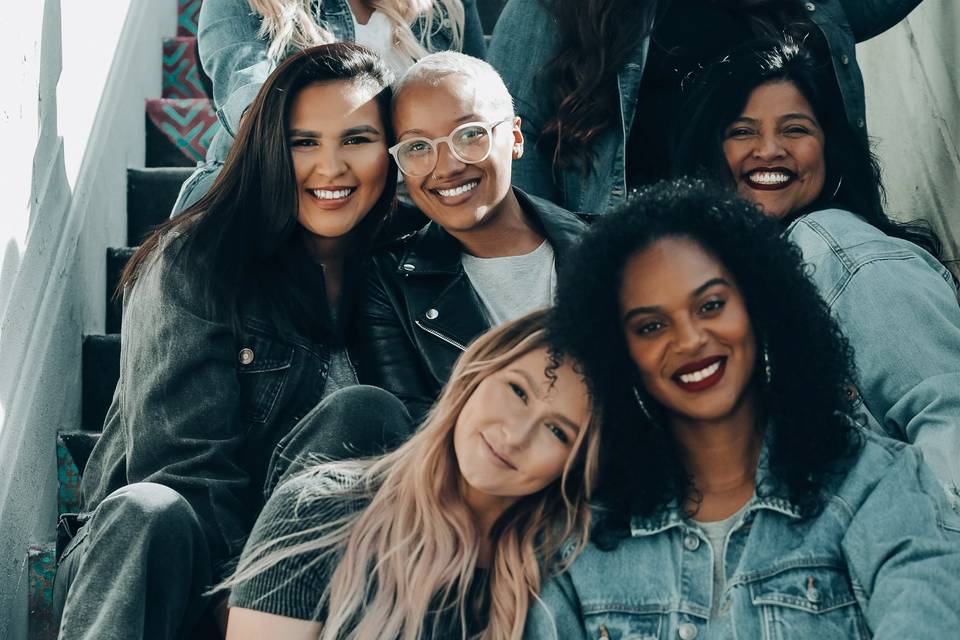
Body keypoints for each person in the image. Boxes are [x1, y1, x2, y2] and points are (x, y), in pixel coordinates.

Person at [53, 44, 408, 640]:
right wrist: (243, 600)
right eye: (304, 142)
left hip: (312, 579)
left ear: (391, 150)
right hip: (168, 571)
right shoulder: (197, 261)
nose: (331, 168)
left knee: (366, 411)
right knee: (148, 511)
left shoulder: (405, 270)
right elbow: (183, 470)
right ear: (270, 149)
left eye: (357, 139)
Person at [527, 178, 960, 639]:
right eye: (651, 326)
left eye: (711, 304)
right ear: (620, 353)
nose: (691, 339)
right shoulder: (576, 538)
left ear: (760, 305)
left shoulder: (877, 484)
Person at [672, 39, 960, 499]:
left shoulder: (835, 249)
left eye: (795, 129)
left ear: (828, 150)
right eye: (742, 131)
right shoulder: (735, 292)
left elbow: (949, 417)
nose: (769, 149)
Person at [223, 309, 603, 640]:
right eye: (517, 391)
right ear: (477, 372)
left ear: (572, 466)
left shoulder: (560, 584)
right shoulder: (317, 509)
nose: (516, 436)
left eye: (558, 431)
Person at [486, 0, 925, 214]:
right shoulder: (556, 7)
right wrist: (555, 273)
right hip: (651, 275)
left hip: (802, 260)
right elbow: (509, 142)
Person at [356, 51, 588, 422]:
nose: (447, 167)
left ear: (514, 137)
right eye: (418, 147)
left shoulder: (609, 246)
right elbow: (416, 439)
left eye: (469, 135)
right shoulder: (387, 285)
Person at [172, 0, 486, 214]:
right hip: (290, 192)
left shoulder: (442, 7)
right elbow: (250, 101)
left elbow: (482, 99)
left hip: (418, 199)